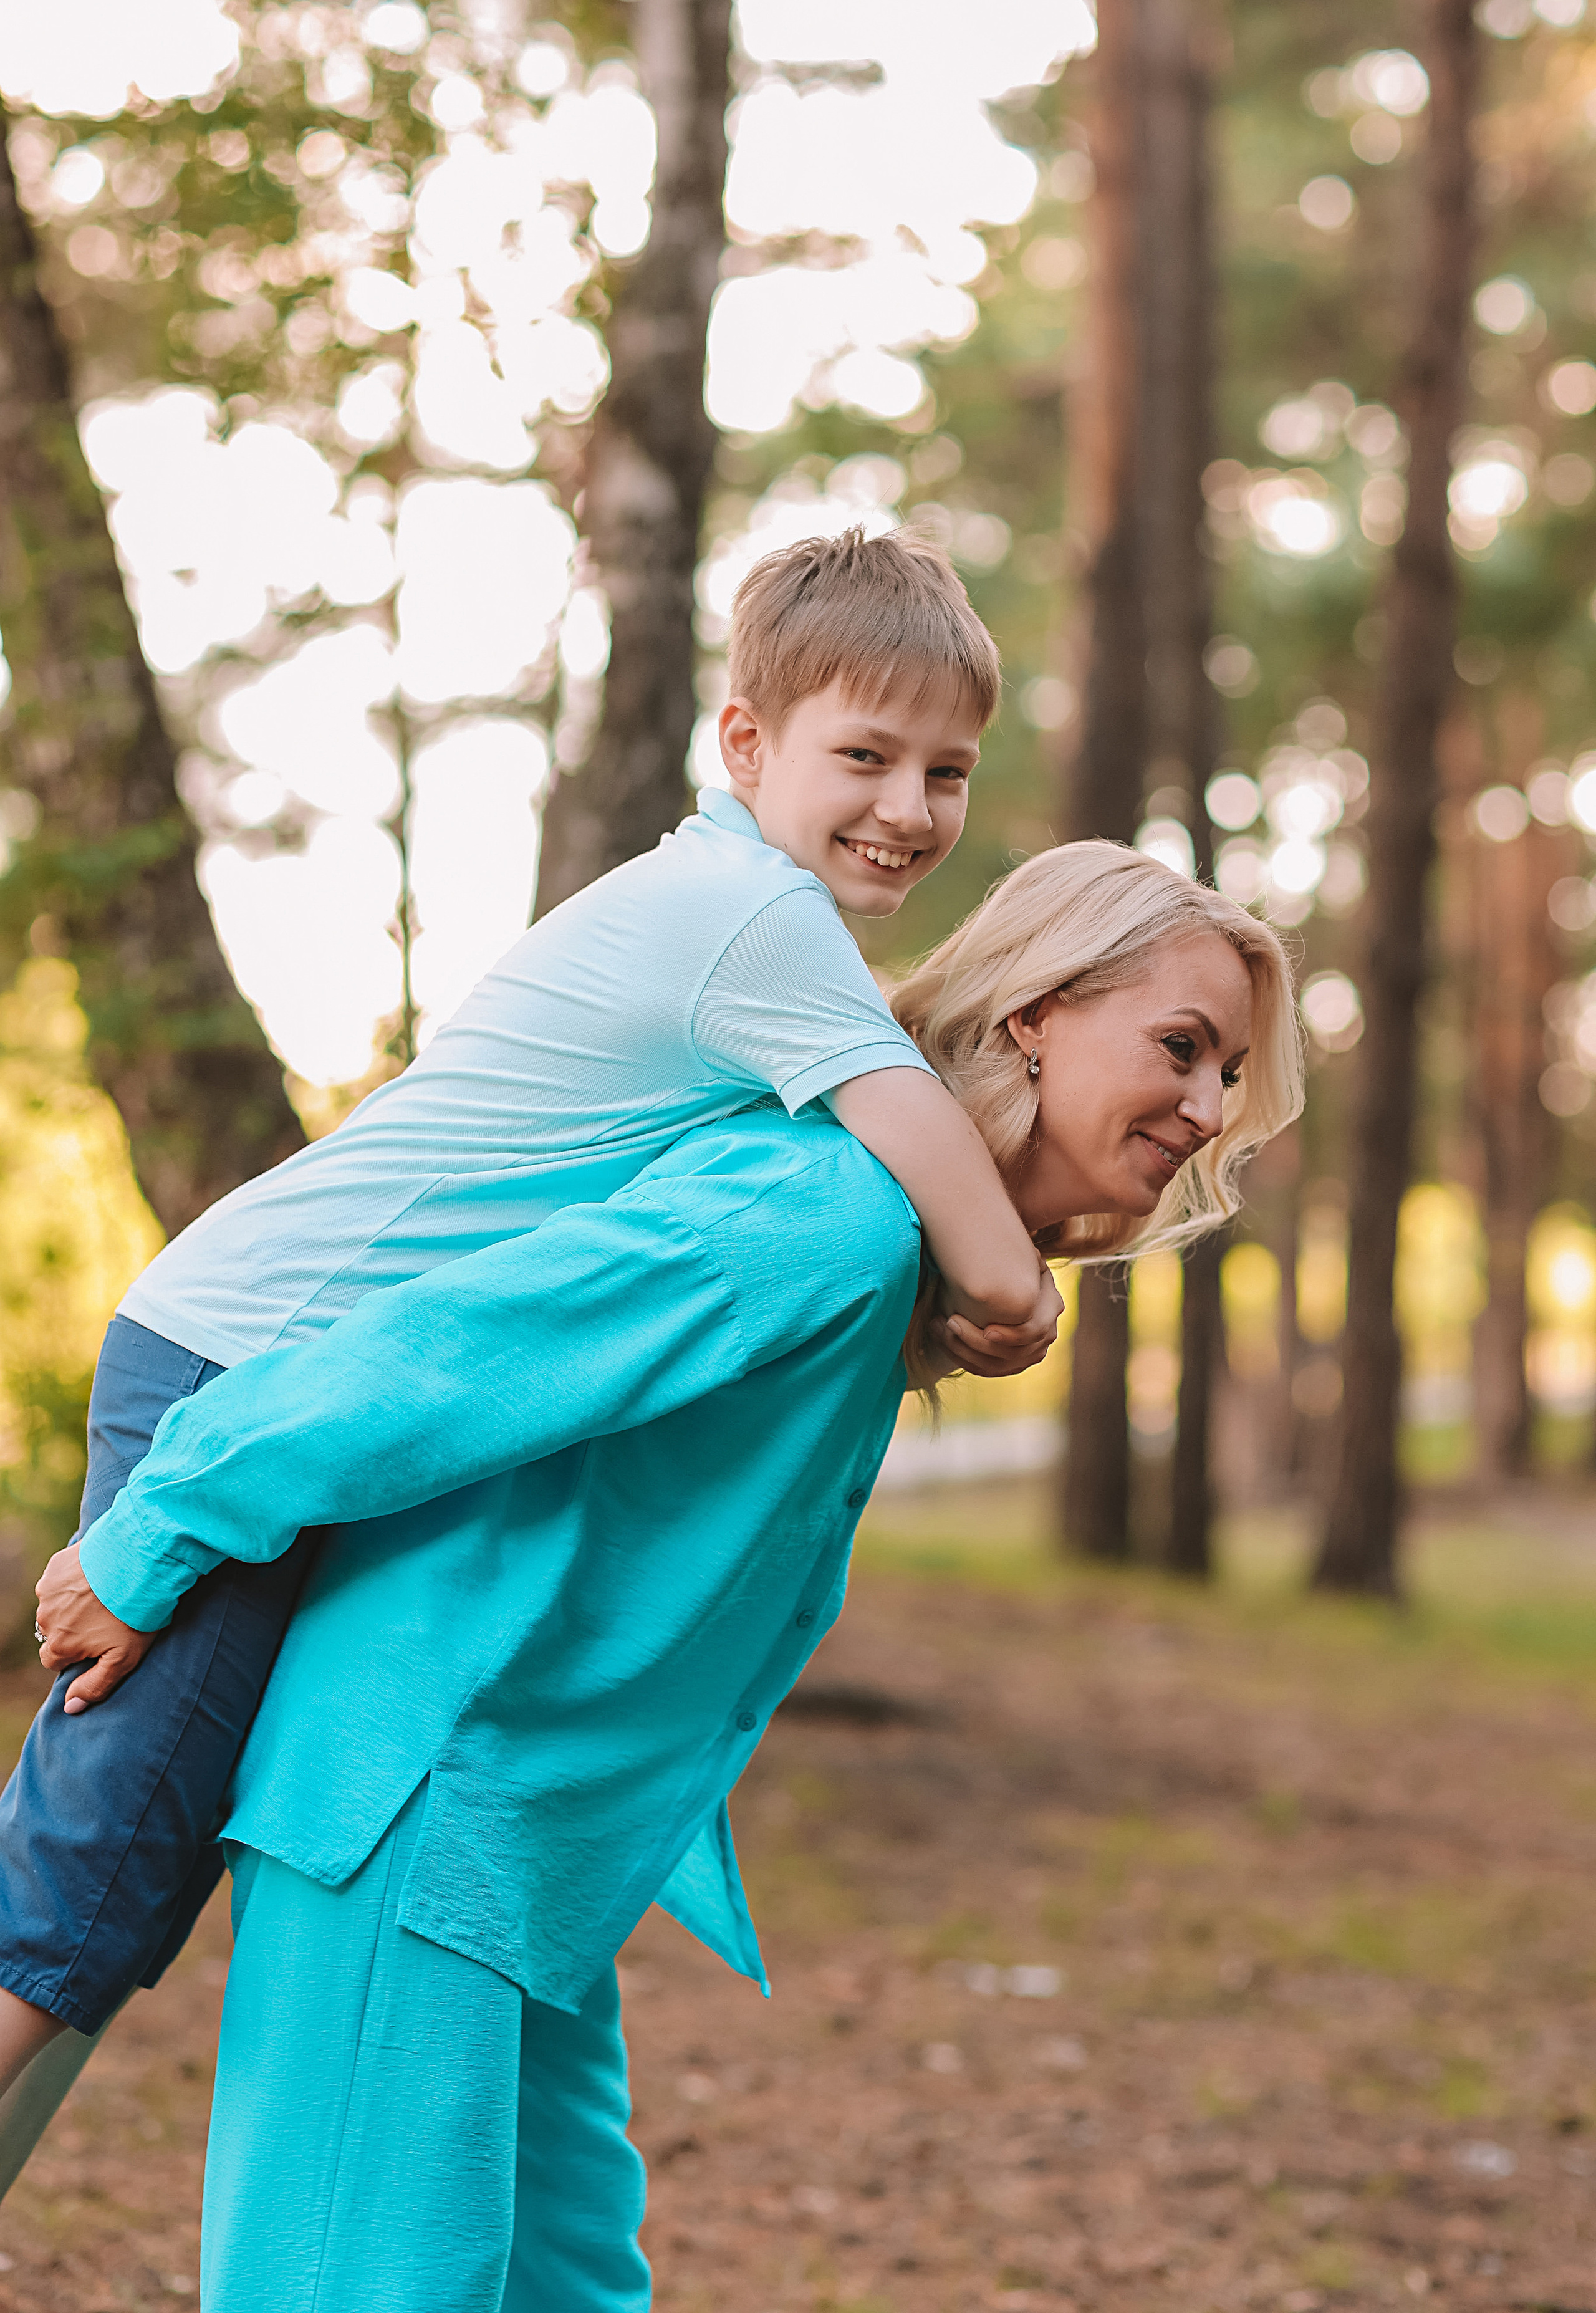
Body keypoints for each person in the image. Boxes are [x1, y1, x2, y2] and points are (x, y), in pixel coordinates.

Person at [36, 839, 1304, 2311]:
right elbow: (444, 1355)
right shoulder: (829, 1216)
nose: (1206, 1110)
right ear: (1037, 1012)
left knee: (569, 2289)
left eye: (1226, 1078)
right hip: (420, 1800)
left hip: (535, 1843)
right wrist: (157, 1530)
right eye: (1181, 1047)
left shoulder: (903, 1253)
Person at [0, 526, 1064, 2145]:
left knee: (118, 1857)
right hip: (247, 1352)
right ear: (747, 744)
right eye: (867, 755)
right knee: (106, 1848)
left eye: (949, 772)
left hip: (258, 1345)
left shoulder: (732, 907)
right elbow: (951, 1193)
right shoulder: (754, 926)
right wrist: (1020, 1298)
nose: (909, 811)